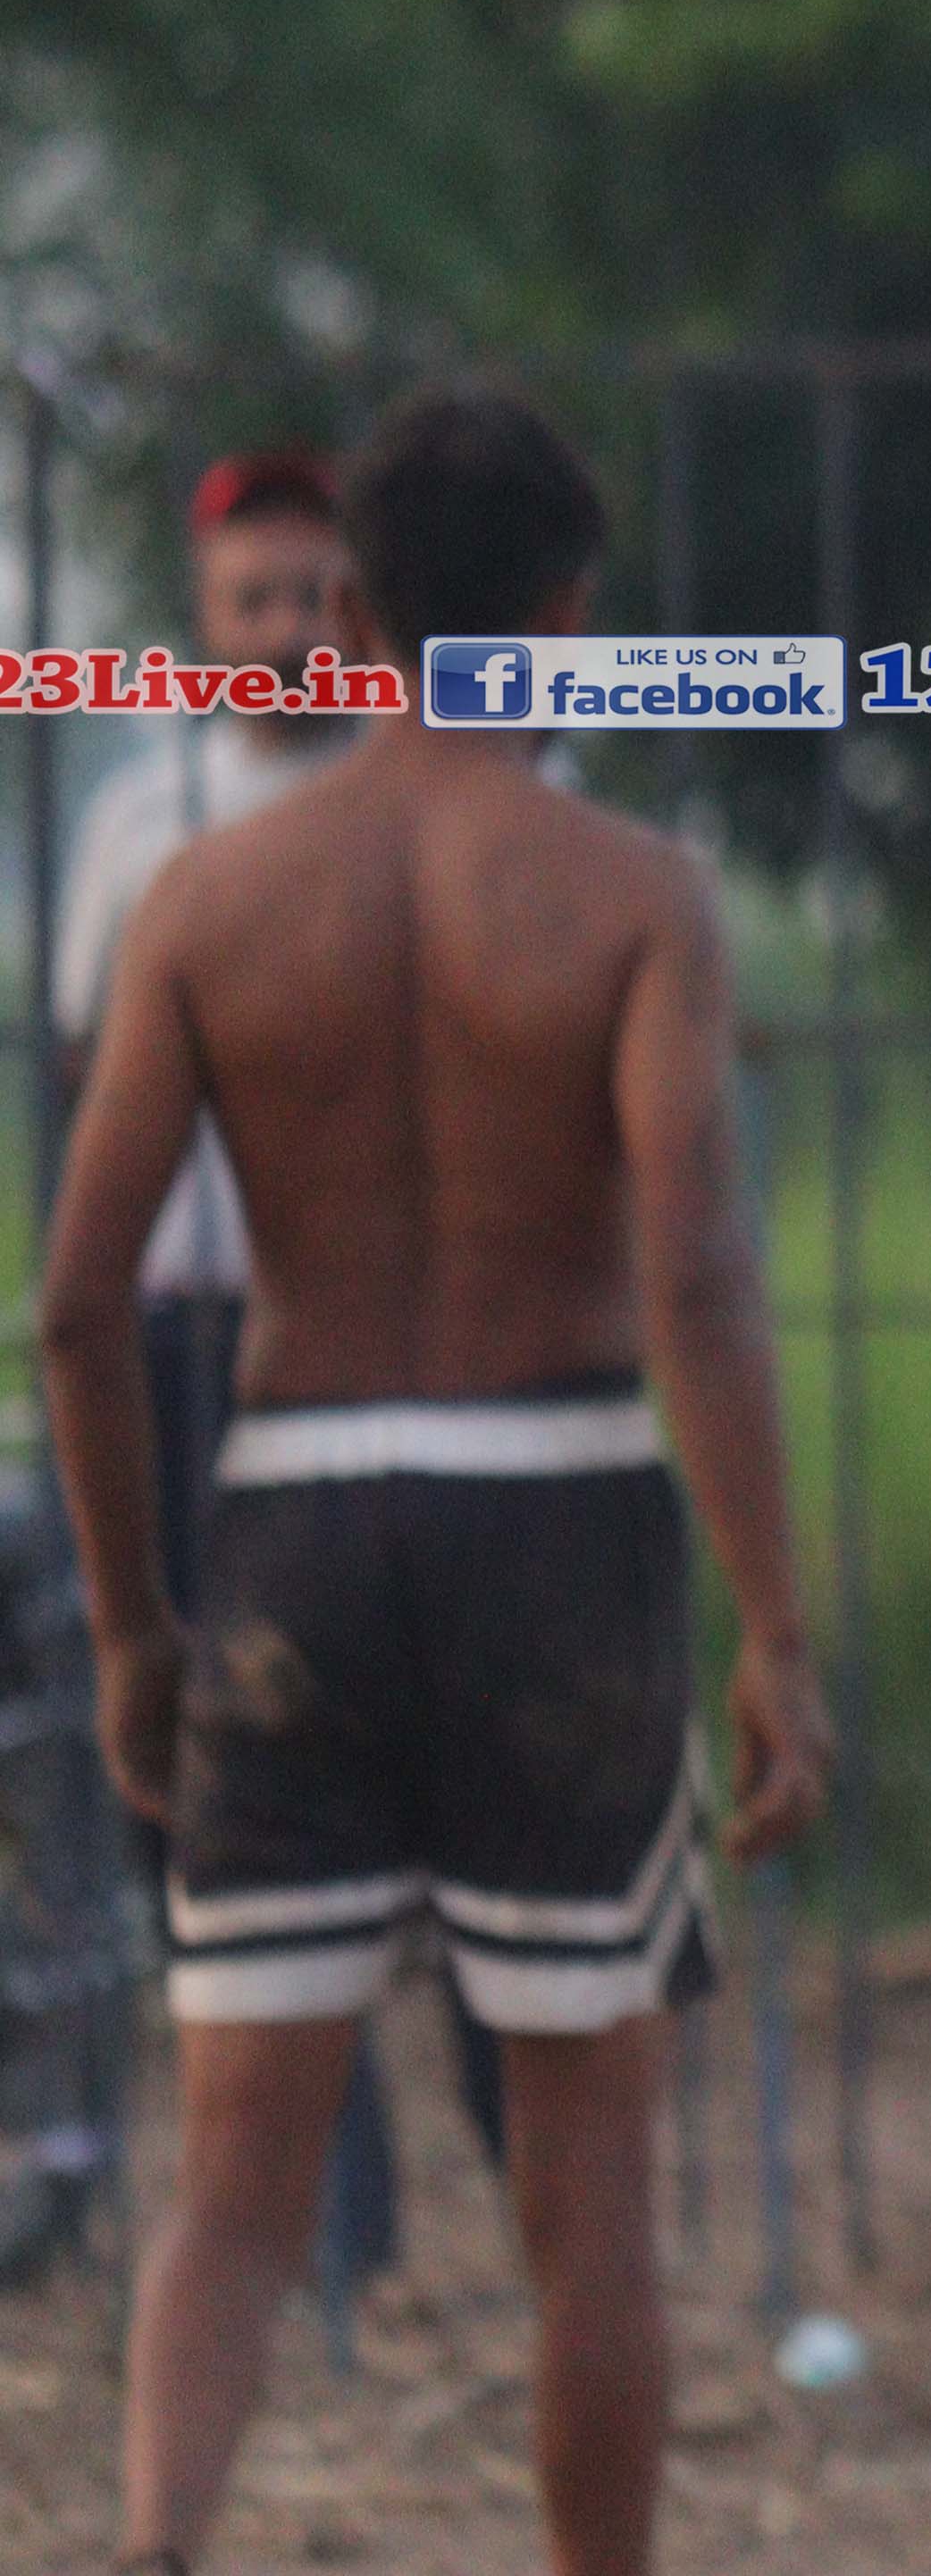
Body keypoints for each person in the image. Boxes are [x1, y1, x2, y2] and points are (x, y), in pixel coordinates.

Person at [40, 388, 831, 2576]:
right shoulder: (634, 893)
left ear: (359, 609)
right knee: (586, 2198)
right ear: (564, 617)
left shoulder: (206, 896)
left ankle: (157, 2545)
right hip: (554, 1507)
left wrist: (132, 1629)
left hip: (292, 1517)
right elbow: (695, 1267)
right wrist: (776, 1630)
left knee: (233, 2173)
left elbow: (81, 1304)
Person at [49, 452, 441, 2277]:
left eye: (312, 596)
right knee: (232, 1768)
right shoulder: (149, 822)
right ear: (199, 627)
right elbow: (86, 1096)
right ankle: (324, 2211)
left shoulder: (431, 793)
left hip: (393, 1326)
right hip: (198, 1335)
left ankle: (509, 2171)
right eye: (251, 602)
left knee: (432, 1736)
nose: (286, 631)